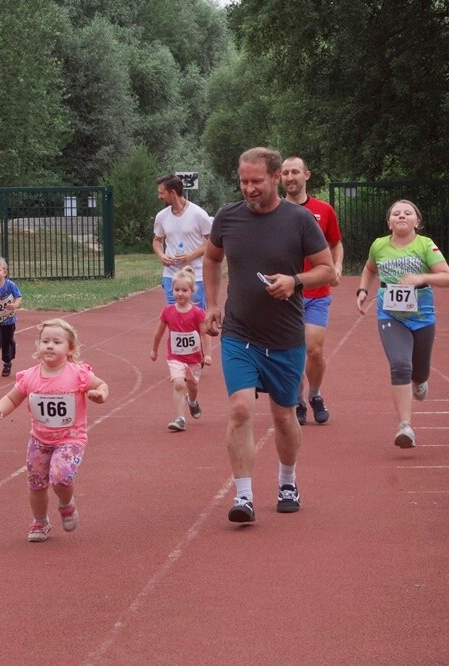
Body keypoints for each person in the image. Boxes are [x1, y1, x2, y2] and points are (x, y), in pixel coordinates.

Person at [203, 147, 335, 524]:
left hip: (284, 337)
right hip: (239, 333)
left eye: (256, 181)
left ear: (276, 178)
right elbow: (212, 259)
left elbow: (327, 270)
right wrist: (212, 304)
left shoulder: (299, 220)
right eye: (243, 181)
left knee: (283, 416)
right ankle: (243, 495)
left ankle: (288, 482)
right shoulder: (227, 218)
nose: (249, 188)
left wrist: (294, 281)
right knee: (241, 408)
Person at [0, 318, 109, 542]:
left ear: (70, 349)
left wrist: (100, 395)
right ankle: (40, 522)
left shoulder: (78, 374)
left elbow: (101, 385)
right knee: (36, 483)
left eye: (57, 341)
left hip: (70, 438)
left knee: (61, 477)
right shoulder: (30, 377)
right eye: (45, 341)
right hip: (39, 440)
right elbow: (13, 398)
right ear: (38, 346)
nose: (50, 346)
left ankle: (66, 505)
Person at [355, 200, 449, 448]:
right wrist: (362, 290)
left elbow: (448, 278)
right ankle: (405, 426)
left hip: (421, 317)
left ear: (417, 222)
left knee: (418, 372)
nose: (401, 216)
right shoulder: (379, 245)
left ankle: (420, 381)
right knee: (400, 365)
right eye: (396, 213)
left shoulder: (425, 245)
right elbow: (369, 269)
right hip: (390, 315)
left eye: (407, 213)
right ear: (389, 222)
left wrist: (421, 277)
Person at [280, 155, 343, 425]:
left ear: (307, 175)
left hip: (316, 292)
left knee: (314, 350)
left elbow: (335, 243)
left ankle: (315, 394)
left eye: (295, 172)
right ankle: (297, 397)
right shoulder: (274, 210)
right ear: (279, 178)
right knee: (292, 351)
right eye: (285, 173)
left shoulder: (323, 210)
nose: (290, 177)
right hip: (284, 294)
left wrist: (337, 266)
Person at [150, 266, 212, 432]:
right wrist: (154, 350)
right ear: (172, 290)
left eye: (184, 290)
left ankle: (192, 402)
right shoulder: (168, 311)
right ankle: (180, 418)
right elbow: (159, 333)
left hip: (193, 358)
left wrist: (208, 355)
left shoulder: (198, 313)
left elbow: (205, 334)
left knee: (192, 386)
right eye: (176, 290)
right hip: (175, 357)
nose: (180, 293)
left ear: (192, 291)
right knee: (178, 383)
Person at [153, 174, 213, 308]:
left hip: (194, 276)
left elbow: (212, 242)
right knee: (173, 316)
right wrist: (161, 255)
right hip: (171, 276)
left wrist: (192, 255)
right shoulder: (161, 216)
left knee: (196, 317)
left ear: (173, 192)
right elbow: (157, 240)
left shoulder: (198, 214)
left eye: (162, 193)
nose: (159, 196)